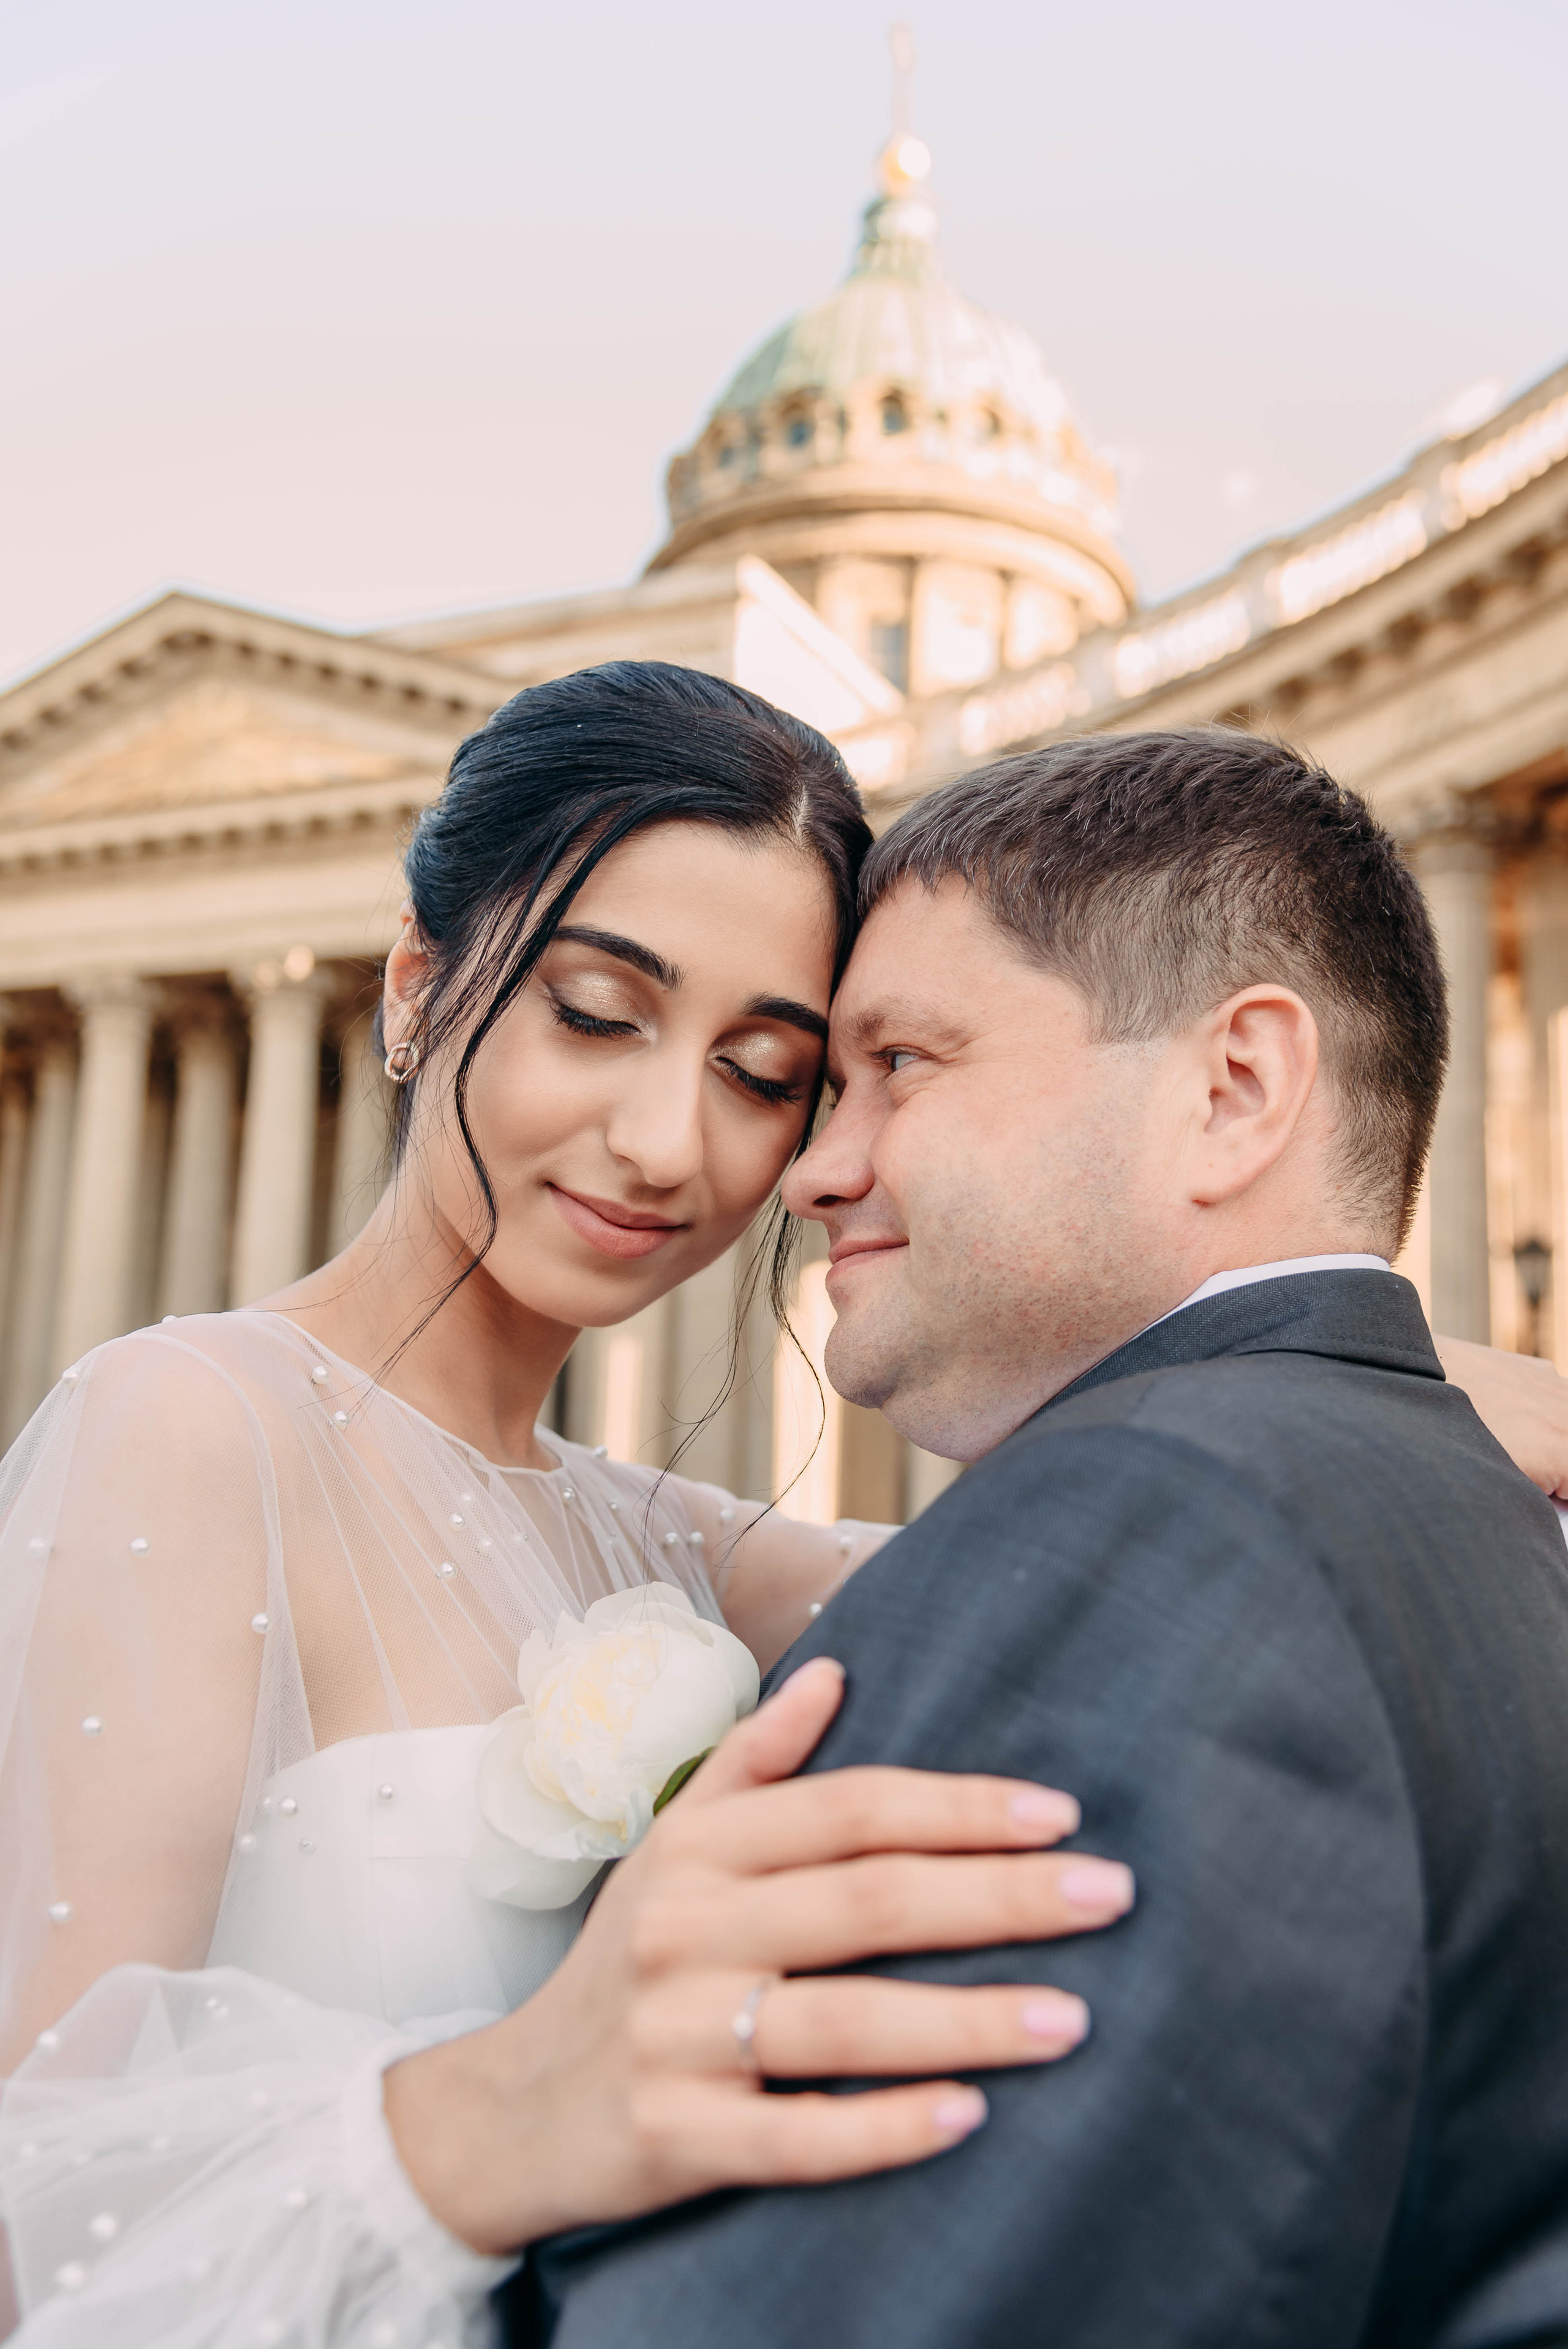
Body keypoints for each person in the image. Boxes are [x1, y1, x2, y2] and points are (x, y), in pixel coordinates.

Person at [0, 678, 1558, 2348]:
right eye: (599, 1013)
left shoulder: (691, 1547)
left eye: (768, 1071)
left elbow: (1145, 1544)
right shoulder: (186, 1421)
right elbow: (36, 2207)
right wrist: (488, 2116)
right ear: (415, 985)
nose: (674, 1142)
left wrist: (1403, 1359)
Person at [519, 729, 1568, 2349]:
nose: (814, 1165)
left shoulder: (1138, 1530)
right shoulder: (1468, 1514)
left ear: (1232, 1092)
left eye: (903, 1065)